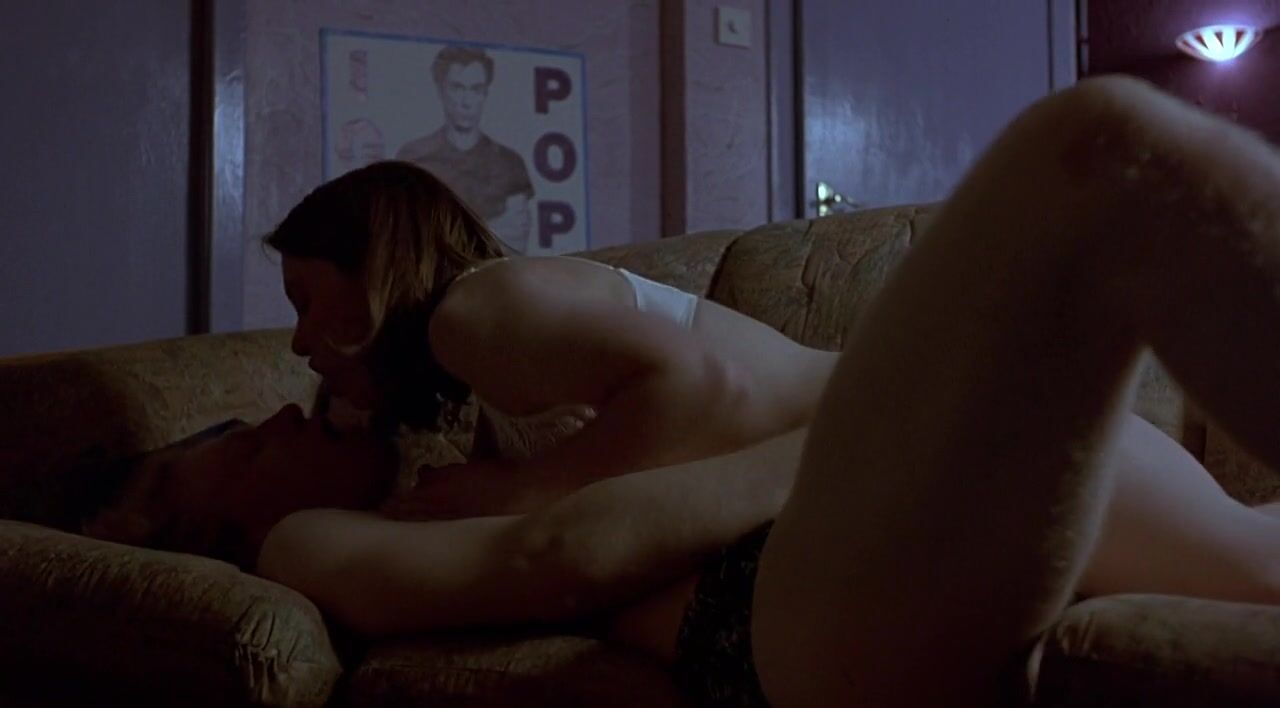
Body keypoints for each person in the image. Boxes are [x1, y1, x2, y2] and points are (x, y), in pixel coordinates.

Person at [231, 75, 1280, 707]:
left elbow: (696, 389)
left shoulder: (476, 314)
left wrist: (523, 490)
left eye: (307, 297)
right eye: (234, 442)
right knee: (1095, 151)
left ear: (380, 256)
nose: (298, 351)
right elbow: (564, 548)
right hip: (833, 536)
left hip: (875, 472)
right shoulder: (327, 527)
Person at [396, 45, 535, 254]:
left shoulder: (510, 163)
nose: (466, 102)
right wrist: (491, 230)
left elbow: (516, 240)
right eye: (457, 88)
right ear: (441, 90)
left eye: (476, 89)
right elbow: (406, 237)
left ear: (485, 93)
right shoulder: (414, 157)